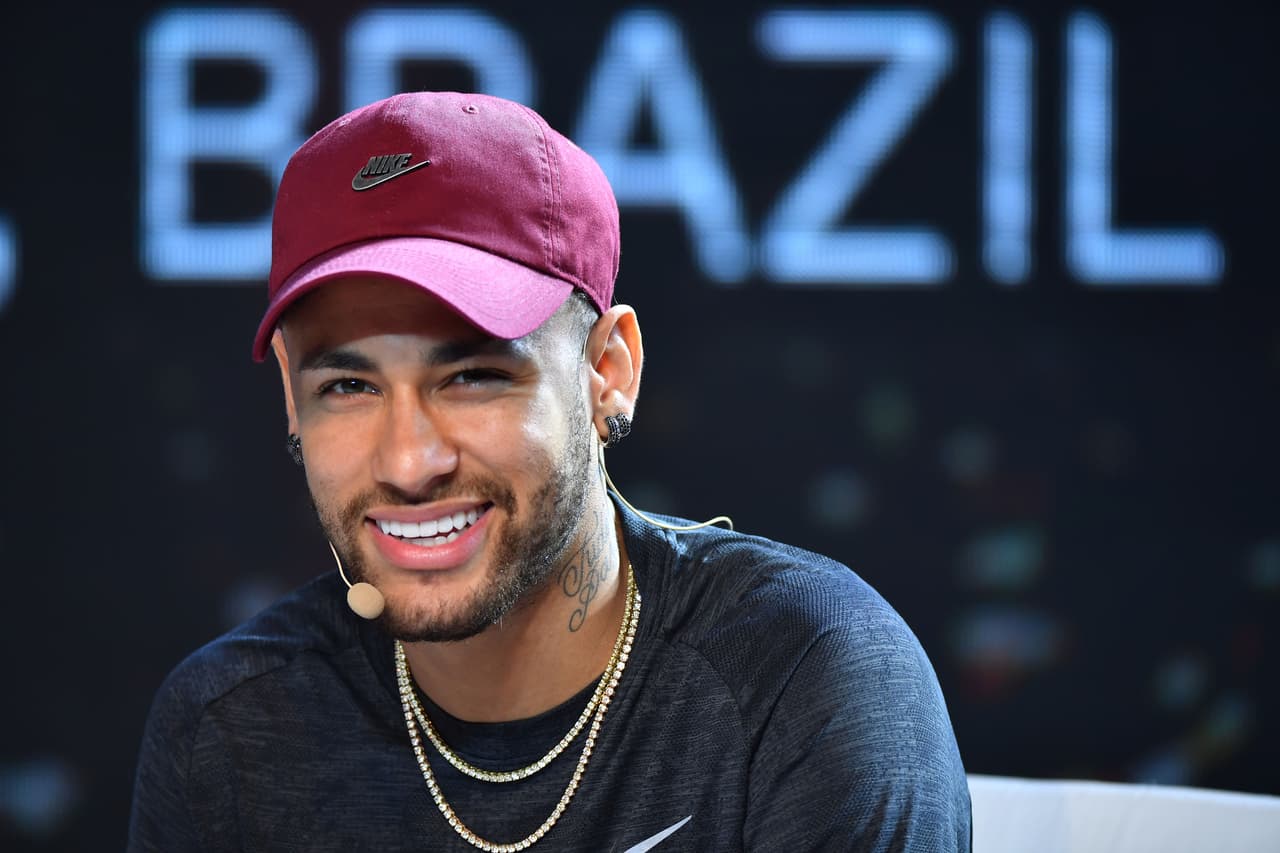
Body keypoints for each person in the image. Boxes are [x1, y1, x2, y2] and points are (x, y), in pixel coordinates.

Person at [128, 91, 971, 852]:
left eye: (473, 377)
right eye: (348, 386)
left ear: (610, 370)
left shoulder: (802, 679)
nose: (410, 461)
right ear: (288, 396)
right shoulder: (229, 728)